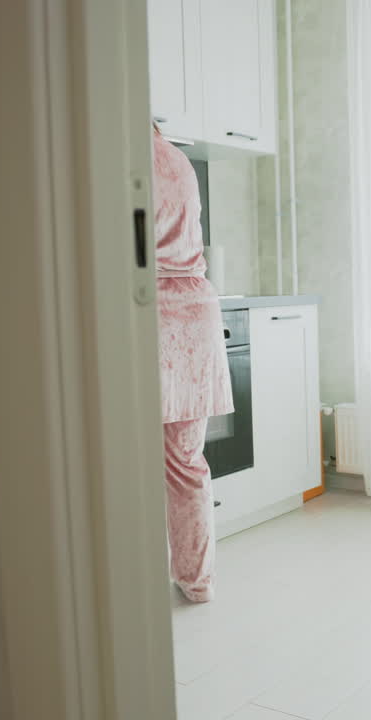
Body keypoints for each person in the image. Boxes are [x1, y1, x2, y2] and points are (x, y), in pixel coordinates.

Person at [153, 124, 234, 603]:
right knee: (186, 464)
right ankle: (197, 581)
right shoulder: (178, 161)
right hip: (196, 317)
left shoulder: (117, 159)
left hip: (152, 317)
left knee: (125, 462)